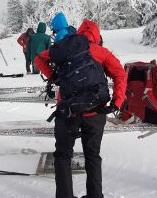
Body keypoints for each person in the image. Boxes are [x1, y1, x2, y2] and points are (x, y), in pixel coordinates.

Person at [35, 18, 127, 198]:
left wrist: (55, 77)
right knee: (92, 155)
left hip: (67, 111)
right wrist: (117, 101)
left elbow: (39, 59)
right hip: (96, 112)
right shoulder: (101, 52)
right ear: (97, 36)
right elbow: (120, 74)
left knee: (63, 155)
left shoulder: (65, 48)